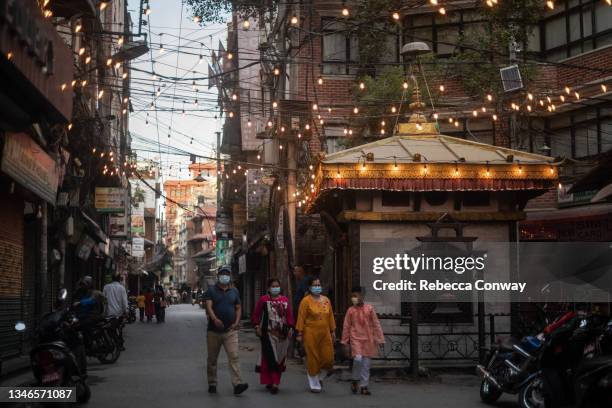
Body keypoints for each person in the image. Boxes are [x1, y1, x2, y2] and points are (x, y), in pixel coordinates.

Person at [204, 266, 248, 395]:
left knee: (234, 356)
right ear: (218, 276)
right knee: (212, 359)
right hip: (213, 331)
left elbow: (238, 307)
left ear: (230, 276)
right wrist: (214, 318)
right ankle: (212, 383)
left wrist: (236, 322)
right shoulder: (211, 290)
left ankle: (237, 384)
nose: (225, 276)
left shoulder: (234, 291)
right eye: (222, 274)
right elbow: (209, 307)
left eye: (227, 274)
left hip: (230, 331)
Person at [252, 279, 294, 394]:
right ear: (268, 288)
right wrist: (256, 327)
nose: (275, 288)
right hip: (268, 333)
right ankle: (275, 383)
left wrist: (291, 328)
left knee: (280, 358)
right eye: (273, 286)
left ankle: (272, 380)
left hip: (283, 335)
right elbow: (256, 314)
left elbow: (289, 315)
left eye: (277, 286)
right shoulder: (263, 300)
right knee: (271, 358)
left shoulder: (284, 300)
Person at [341, 287, 385, 395]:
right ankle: (355, 379)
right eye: (352, 296)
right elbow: (346, 326)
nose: (354, 298)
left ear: (362, 296)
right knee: (358, 359)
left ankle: (364, 386)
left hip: (368, 339)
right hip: (356, 339)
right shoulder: (350, 310)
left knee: (366, 364)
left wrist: (380, 339)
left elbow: (376, 324)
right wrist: (345, 342)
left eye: (356, 296)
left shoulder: (369, 309)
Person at [295, 277, 336, 393]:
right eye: (315, 285)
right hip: (310, 332)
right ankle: (314, 383)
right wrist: (299, 333)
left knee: (328, 358)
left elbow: (331, 316)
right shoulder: (305, 301)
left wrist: (333, 331)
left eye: (319, 284)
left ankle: (320, 377)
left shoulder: (326, 300)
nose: (317, 287)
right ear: (309, 287)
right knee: (313, 358)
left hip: (325, 332)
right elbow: (301, 317)